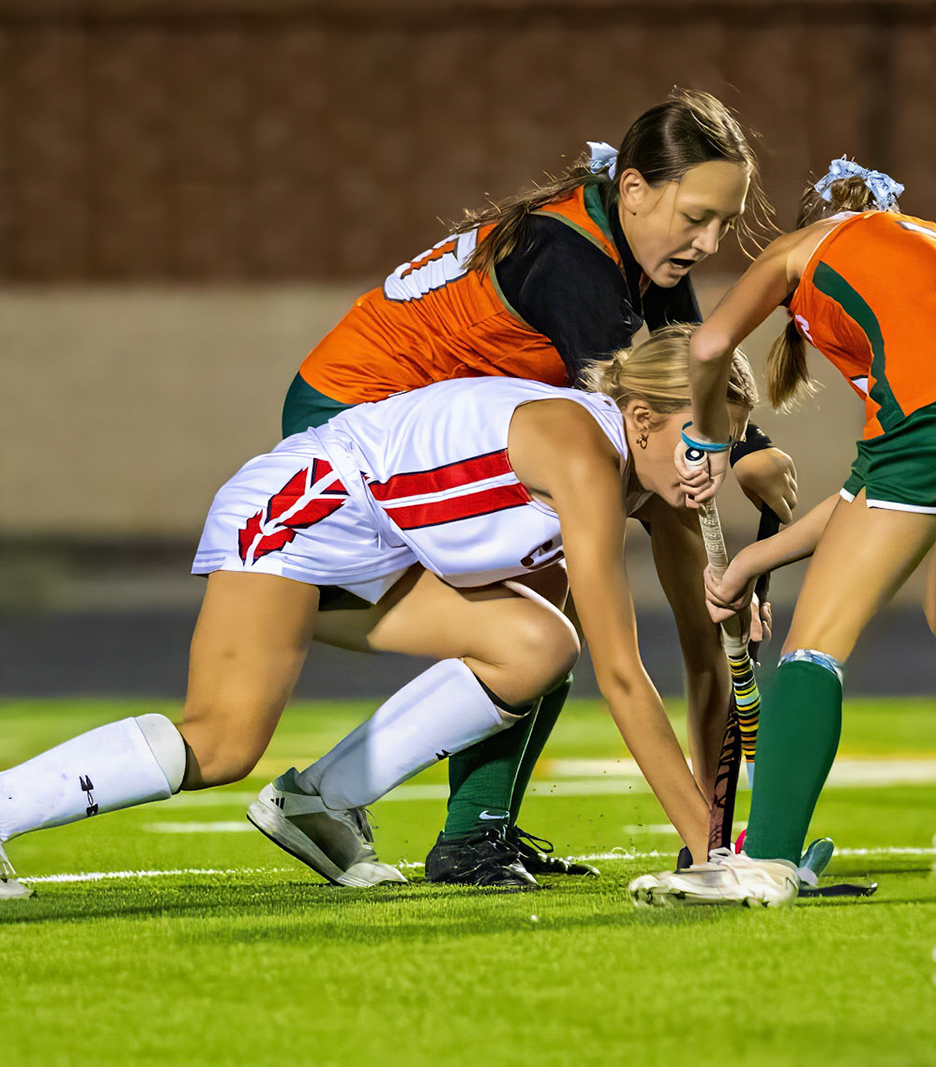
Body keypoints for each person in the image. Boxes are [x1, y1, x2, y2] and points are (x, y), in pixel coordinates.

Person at [0, 329, 767, 900]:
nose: (710, 471)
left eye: (723, 452)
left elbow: (698, 651)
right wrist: (709, 853)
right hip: (301, 511)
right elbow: (625, 675)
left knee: (536, 644)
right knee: (222, 742)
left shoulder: (647, 480)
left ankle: (319, 805)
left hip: (376, 547)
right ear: (640, 418)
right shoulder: (583, 455)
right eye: (699, 446)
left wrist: (721, 832)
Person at [280, 90, 798, 886]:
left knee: (554, 604)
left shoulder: (634, 249)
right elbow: (660, 477)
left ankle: (464, 829)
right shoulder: (574, 266)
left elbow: (687, 381)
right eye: (696, 217)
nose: (709, 243)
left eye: (723, 225)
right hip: (348, 419)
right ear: (633, 190)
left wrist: (751, 449)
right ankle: (459, 832)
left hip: (392, 423)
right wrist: (709, 841)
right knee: (550, 602)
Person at [626, 159, 936, 908]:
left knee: (816, 641)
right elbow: (876, 494)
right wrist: (752, 560)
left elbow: (709, 347)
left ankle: (766, 860)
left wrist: (711, 443)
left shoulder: (799, 252)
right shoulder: (924, 247)